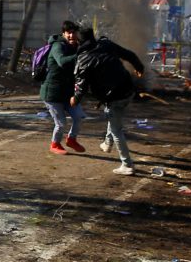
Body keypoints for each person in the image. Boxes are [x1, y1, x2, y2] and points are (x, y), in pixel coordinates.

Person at [71, 27, 144, 175]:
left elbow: (82, 84)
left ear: (79, 41)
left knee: (116, 129)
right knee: (113, 116)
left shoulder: (84, 58)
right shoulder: (106, 44)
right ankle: (107, 143)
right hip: (128, 89)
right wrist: (139, 67)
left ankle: (127, 164)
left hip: (114, 97)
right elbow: (129, 55)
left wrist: (75, 98)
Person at [40, 20, 85, 155]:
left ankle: (71, 139)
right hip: (52, 93)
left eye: (74, 33)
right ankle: (55, 144)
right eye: (69, 33)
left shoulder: (77, 46)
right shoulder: (57, 46)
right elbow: (62, 62)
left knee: (78, 116)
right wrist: (80, 55)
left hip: (67, 92)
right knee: (61, 123)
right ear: (64, 34)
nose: (72, 35)